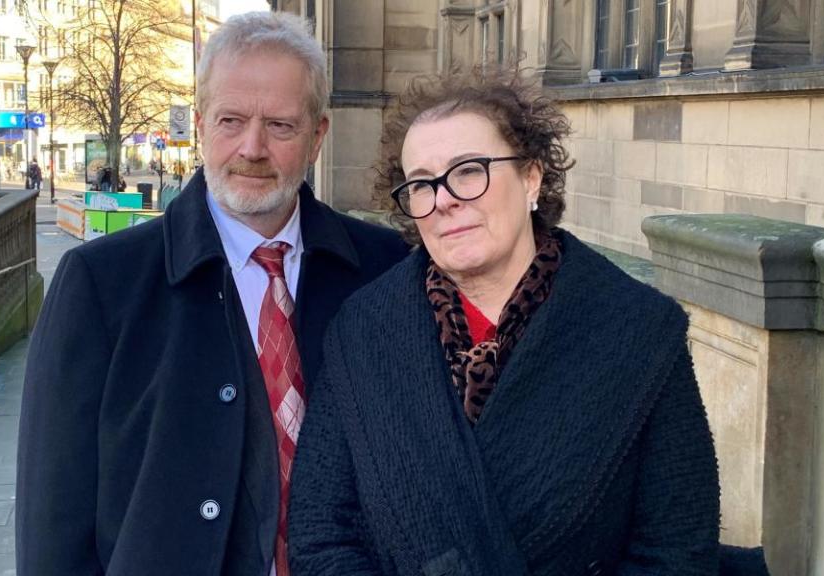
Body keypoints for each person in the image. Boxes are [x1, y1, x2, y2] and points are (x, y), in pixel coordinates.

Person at [289, 68, 736, 576]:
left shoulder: (636, 329)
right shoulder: (363, 333)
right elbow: (321, 534)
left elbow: (676, 549)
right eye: (421, 184)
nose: (445, 199)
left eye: (469, 170)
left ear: (531, 177)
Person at [16, 11, 407, 576]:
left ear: (318, 136)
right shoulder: (101, 284)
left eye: (280, 125)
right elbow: (54, 515)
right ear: (199, 124)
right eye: (231, 120)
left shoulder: (383, 269)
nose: (252, 147)